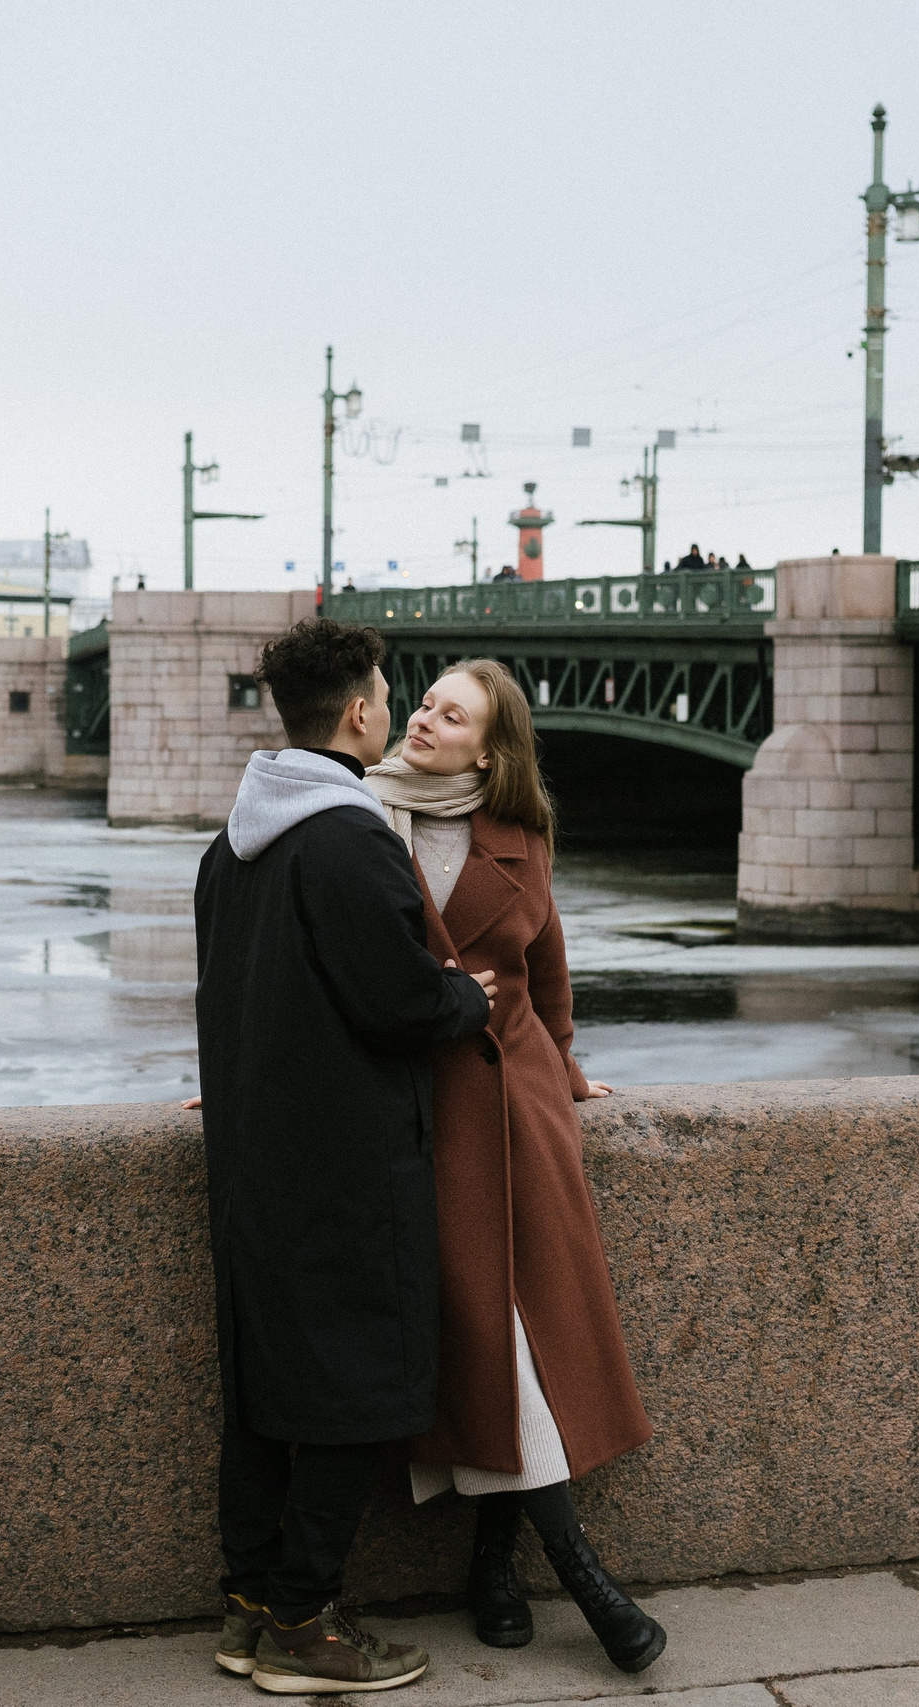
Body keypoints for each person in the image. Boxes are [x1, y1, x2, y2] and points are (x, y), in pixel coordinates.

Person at [191, 618, 497, 1695]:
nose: (393, 712)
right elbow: (396, 1001)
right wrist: (465, 999)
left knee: (263, 1394)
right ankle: (304, 1625)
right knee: (351, 1390)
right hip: (344, 1168)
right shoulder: (350, 840)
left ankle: (247, 1605)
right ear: (361, 713)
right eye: (389, 697)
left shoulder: (231, 845)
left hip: (251, 1165)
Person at [365, 660, 669, 1677]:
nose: (423, 719)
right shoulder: (363, 819)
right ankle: (586, 1581)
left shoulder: (519, 838)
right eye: (423, 703)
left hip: (515, 1106)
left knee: (521, 1338)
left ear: (489, 750)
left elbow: (547, 975)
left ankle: (493, 1569)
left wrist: (567, 1075)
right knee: (487, 1339)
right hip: (427, 1113)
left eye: (450, 715)